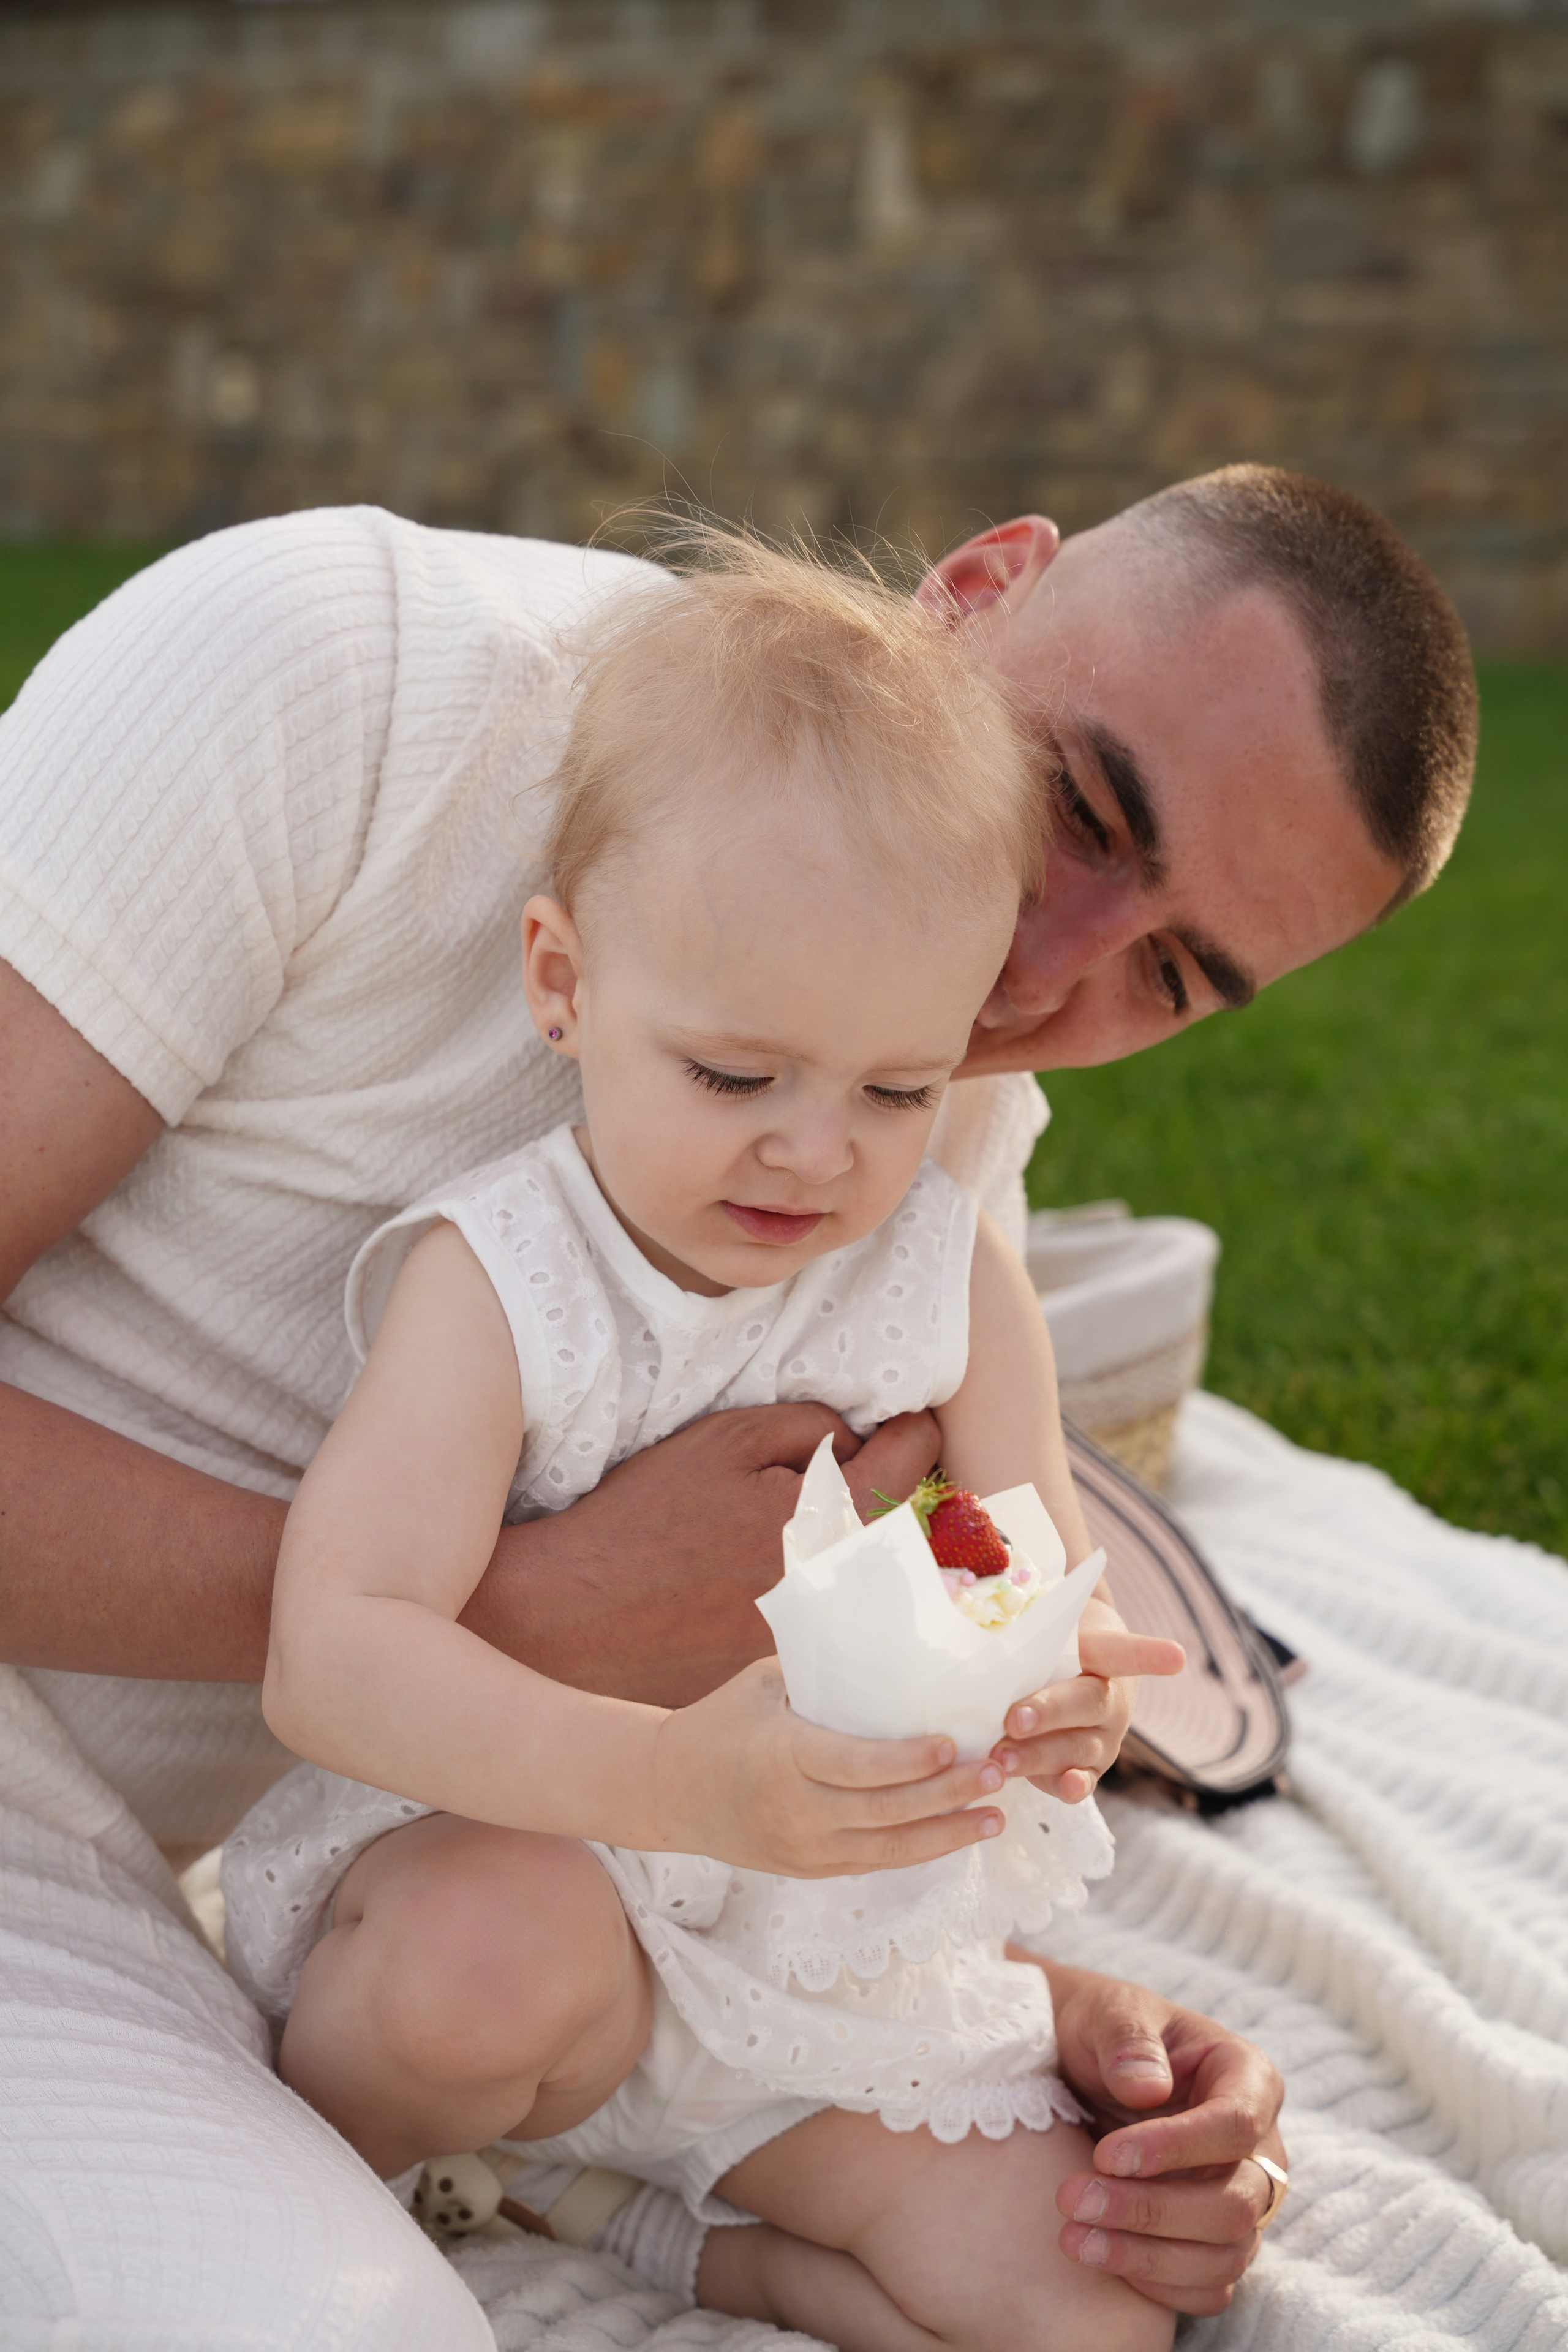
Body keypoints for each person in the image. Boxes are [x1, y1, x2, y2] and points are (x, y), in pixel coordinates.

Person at [0, 467, 1476, 2346]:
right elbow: (608, 1668)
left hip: (329, 1889)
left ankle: (607, 2211)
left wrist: (1038, 2010)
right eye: (1085, 807)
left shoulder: (938, 1138)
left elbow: (823, 1684)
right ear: (976, 589)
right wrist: (524, 1607)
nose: (1045, 966)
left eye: (1173, 974)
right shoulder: (340, 680)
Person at [221, 537, 1186, 2352]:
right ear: (564, 984)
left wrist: (1070, 1693)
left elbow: (1022, 1560)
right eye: (738, 1077)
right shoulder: (503, 1281)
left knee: (1091, 2310)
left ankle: (652, 2232)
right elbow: (328, 1657)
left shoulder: (946, 1281)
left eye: (898, 1090)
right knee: (472, 1982)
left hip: (811, 1940)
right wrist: (670, 1789)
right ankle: (364, 2177)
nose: (817, 1156)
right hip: (522, 1875)